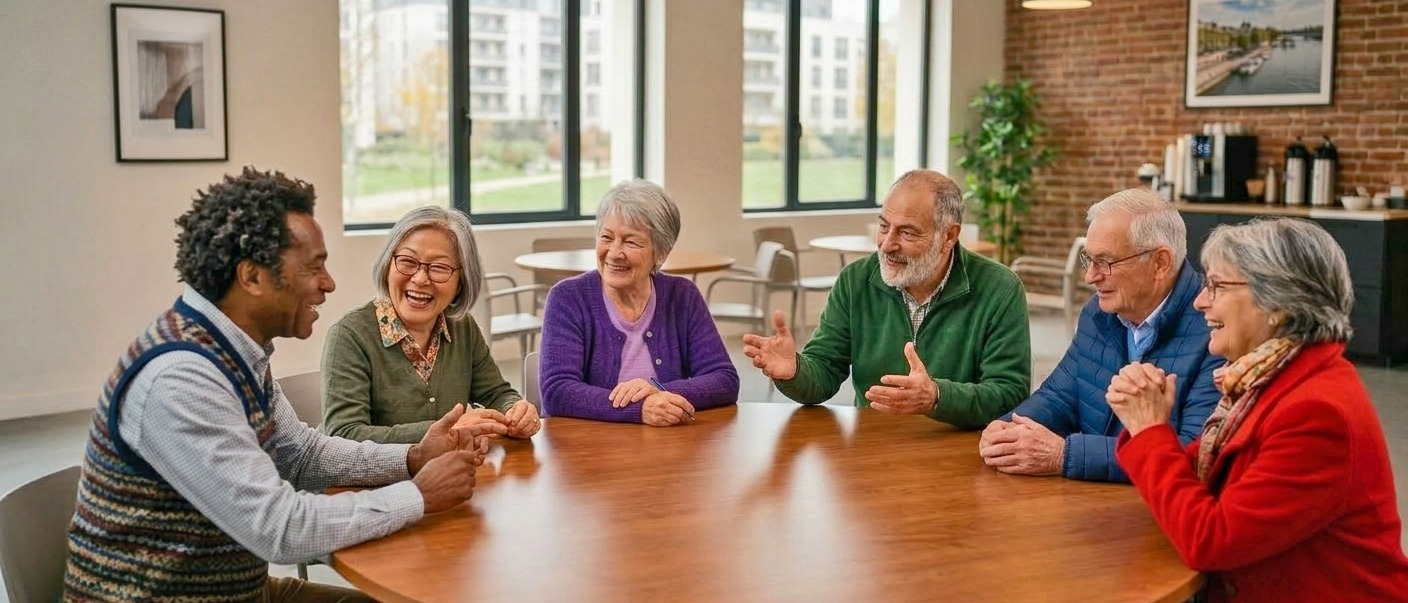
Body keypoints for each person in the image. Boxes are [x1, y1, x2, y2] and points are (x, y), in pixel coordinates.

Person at [62, 168, 506, 602]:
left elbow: (303, 454)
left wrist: (413, 457)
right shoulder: (181, 378)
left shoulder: (234, 351)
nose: (328, 284)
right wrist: (418, 495)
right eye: (313, 268)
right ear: (252, 277)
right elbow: (279, 528)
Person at [1108, 218, 1408, 601]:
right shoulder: (1267, 380)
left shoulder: (1316, 411)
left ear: (1278, 303)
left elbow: (1211, 541)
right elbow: (1202, 484)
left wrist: (1151, 430)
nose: (1200, 301)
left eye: (1216, 286)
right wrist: (1145, 426)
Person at [743, 169, 1029, 429]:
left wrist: (937, 398)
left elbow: (1009, 394)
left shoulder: (1000, 289)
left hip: (959, 451)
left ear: (949, 236)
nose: (887, 244)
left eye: (907, 232)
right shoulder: (855, 281)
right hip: (872, 447)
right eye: (883, 226)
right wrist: (795, 370)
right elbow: (824, 371)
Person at [977, 189, 1219, 481]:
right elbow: (1058, 396)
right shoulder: (1100, 311)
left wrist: (1064, 455)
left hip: (1160, 514)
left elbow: (1194, 453)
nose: (1090, 277)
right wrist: (1007, 429)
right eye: (1088, 260)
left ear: (1160, 262)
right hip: (1089, 502)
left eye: (1105, 262)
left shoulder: (1217, 332)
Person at [321, 206, 539, 443]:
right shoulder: (349, 336)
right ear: (387, 266)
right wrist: (450, 431)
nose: (420, 279)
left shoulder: (462, 327)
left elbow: (495, 393)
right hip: (379, 481)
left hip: (453, 475)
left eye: (439, 268)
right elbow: (344, 436)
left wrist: (516, 411)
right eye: (407, 261)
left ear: (461, 282)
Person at [539, 180, 739, 426]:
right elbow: (557, 392)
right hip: (589, 449)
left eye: (631, 242)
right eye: (606, 237)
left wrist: (658, 391)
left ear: (661, 252)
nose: (614, 252)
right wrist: (639, 408)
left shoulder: (683, 296)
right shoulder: (568, 298)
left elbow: (724, 379)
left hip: (666, 447)